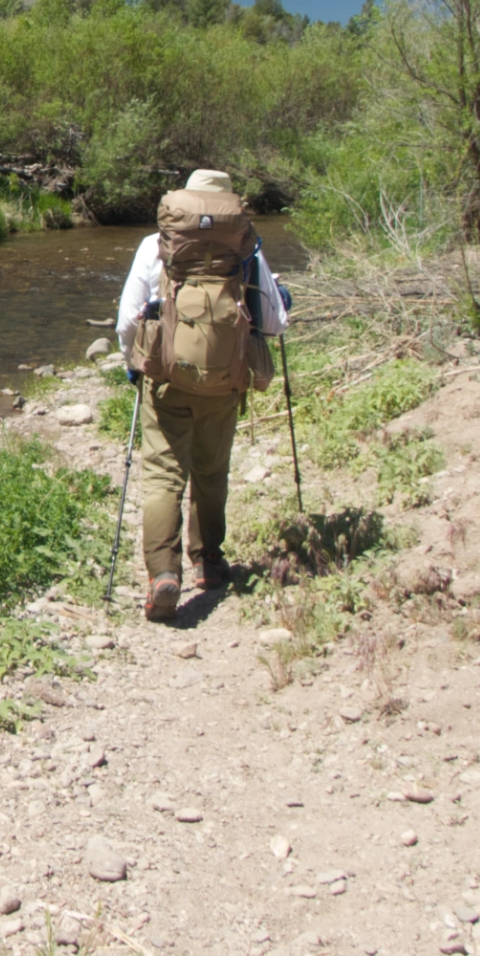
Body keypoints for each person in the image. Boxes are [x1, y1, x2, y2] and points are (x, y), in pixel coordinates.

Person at [115, 169, 287, 622]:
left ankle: (162, 575)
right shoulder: (247, 249)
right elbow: (272, 322)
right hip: (224, 380)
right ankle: (208, 563)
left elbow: (126, 321)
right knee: (212, 472)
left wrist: (134, 363)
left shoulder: (158, 245)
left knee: (163, 475)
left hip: (167, 380)